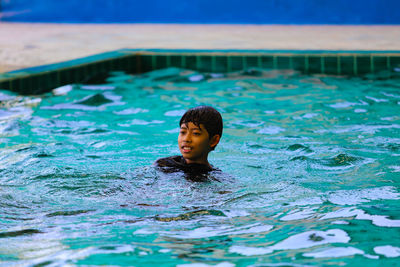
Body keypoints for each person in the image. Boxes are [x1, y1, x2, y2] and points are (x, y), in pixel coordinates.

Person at [155, 105, 223, 181]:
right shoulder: (164, 164)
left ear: (213, 140)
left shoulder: (213, 178)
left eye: (196, 133)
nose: (186, 139)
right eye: (183, 132)